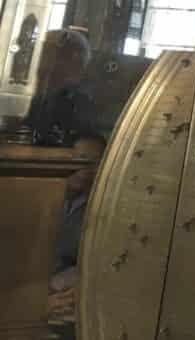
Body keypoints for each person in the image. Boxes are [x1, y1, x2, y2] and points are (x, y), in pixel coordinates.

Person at [47, 132, 107, 339]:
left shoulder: (102, 206)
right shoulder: (43, 194)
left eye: (93, 162)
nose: (84, 169)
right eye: (79, 159)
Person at [25, 28, 95, 145]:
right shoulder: (40, 96)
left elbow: (85, 144)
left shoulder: (79, 101)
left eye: (47, 52)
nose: (40, 60)